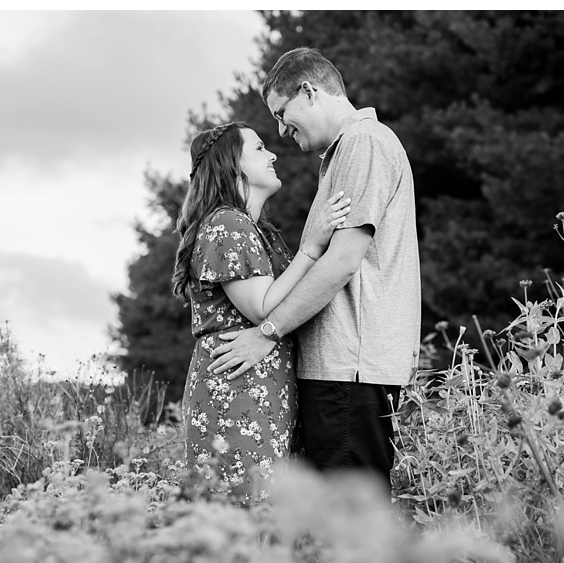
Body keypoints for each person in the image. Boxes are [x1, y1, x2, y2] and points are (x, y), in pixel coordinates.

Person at [207, 47, 422, 490]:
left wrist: (267, 334)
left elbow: (343, 261)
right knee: (341, 524)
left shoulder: (364, 142)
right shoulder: (346, 152)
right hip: (343, 369)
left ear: (310, 92)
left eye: (283, 115)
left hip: (349, 369)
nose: (283, 131)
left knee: (350, 527)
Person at [172, 121, 351, 504]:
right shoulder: (227, 223)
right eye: (258, 148)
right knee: (239, 512)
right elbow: (263, 307)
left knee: (259, 514)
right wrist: (311, 247)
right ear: (232, 163)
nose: (272, 154)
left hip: (261, 387)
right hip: (238, 387)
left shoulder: (258, 230)